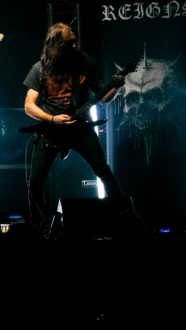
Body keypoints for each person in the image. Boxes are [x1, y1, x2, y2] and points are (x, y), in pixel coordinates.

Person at [23, 23, 125, 233]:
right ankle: (40, 226)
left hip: (81, 129)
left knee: (103, 171)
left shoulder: (85, 64)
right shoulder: (40, 68)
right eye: (69, 43)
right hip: (51, 131)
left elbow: (103, 98)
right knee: (35, 182)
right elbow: (29, 106)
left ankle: (123, 219)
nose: (74, 46)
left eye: (74, 42)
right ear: (56, 45)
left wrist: (115, 87)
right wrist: (52, 119)